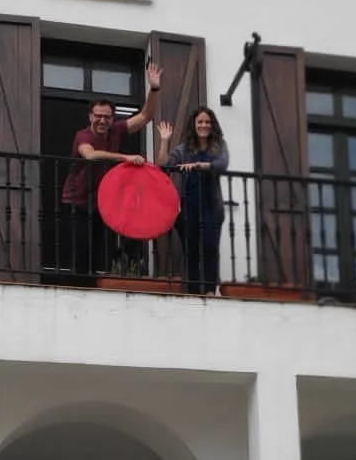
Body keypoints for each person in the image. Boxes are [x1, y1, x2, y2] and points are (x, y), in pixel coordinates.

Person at [59, 60, 163, 277]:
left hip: (100, 201)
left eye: (107, 116)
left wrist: (153, 89)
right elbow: (90, 155)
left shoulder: (115, 130)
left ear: (112, 118)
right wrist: (126, 158)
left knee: (98, 249)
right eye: (98, 116)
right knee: (81, 250)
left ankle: (95, 286)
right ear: (90, 116)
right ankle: (78, 288)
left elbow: (145, 117)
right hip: (76, 202)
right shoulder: (83, 135)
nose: (102, 120)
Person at [156, 106, 229, 294]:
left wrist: (198, 165)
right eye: (200, 122)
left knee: (210, 248)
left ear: (212, 125)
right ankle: (194, 292)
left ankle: (210, 290)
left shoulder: (219, 146)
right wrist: (164, 141)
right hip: (189, 207)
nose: (204, 125)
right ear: (194, 125)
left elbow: (221, 164)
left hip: (212, 207)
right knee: (191, 250)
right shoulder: (184, 149)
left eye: (207, 122)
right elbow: (164, 165)